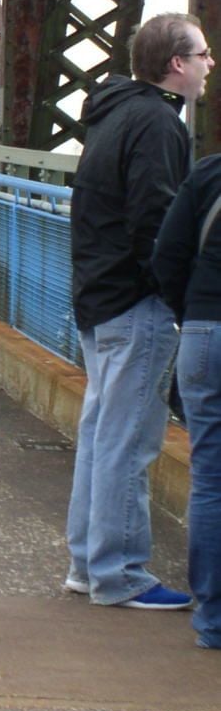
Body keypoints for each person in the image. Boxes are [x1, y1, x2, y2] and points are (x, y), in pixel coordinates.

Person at [65, 12, 212, 610]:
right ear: (177, 64)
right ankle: (119, 573)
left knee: (101, 435)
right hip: (135, 302)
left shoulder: (113, 113)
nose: (209, 65)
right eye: (202, 55)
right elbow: (157, 221)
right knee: (129, 441)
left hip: (98, 295)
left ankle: (88, 563)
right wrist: (178, 297)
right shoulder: (157, 122)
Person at [153, 146, 221, 645]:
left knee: (212, 480)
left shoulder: (209, 172)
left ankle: (214, 620)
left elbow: (167, 256)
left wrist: (192, 315)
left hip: (206, 332)